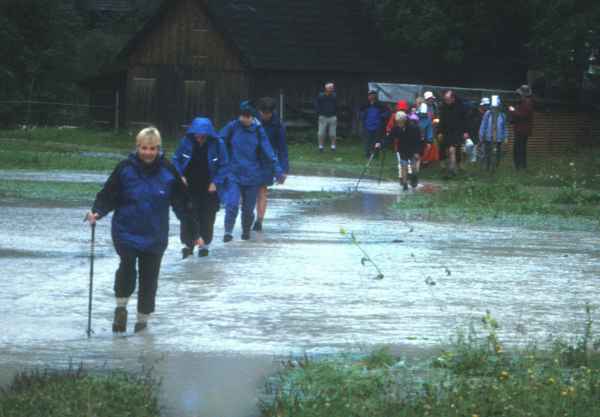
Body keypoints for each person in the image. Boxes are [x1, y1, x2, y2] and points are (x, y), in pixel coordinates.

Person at [85, 127, 190, 333]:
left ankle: (142, 321)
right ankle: (121, 307)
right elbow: (108, 194)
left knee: (150, 278)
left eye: (152, 149)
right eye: (144, 148)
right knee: (127, 267)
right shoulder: (125, 168)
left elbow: (182, 203)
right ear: (137, 147)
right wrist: (97, 212)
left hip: (156, 233)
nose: (148, 153)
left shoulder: (168, 170)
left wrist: (192, 233)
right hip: (126, 230)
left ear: (158, 149)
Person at [220, 101, 284, 242]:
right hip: (234, 173)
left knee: (248, 209)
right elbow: (219, 142)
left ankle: (246, 230)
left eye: (248, 117)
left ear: (253, 117)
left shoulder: (258, 131)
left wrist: (278, 169)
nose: (245, 119)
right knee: (232, 204)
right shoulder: (232, 127)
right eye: (242, 116)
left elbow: (268, 150)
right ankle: (228, 232)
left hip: (253, 175)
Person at [172, 117, 230, 259]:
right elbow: (175, 160)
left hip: (209, 188)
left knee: (208, 216)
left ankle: (204, 245)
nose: (199, 138)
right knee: (188, 215)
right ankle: (188, 245)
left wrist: (216, 182)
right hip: (189, 187)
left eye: (202, 135)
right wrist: (180, 176)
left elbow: (225, 165)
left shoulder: (218, 144)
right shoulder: (186, 142)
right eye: (196, 135)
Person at [254, 97, 289, 232]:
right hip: (251, 159)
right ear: (259, 111)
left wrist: (284, 169)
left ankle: (259, 221)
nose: (266, 116)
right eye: (263, 113)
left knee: (262, 190)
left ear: (272, 112)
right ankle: (248, 216)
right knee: (248, 190)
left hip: (267, 161)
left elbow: (282, 148)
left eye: (268, 113)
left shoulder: (278, 125)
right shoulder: (252, 120)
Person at [376, 111, 421, 191]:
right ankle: (405, 184)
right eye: (398, 122)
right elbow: (389, 138)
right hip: (402, 149)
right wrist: (381, 143)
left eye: (401, 122)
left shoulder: (414, 128)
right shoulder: (396, 128)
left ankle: (414, 178)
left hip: (413, 149)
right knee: (404, 165)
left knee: (413, 167)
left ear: (405, 120)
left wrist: (417, 152)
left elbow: (418, 140)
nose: (399, 124)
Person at [437, 90, 469, 177]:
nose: (446, 101)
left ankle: (452, 169)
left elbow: (465, 120)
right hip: (446, 132)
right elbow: (441, 120)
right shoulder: (443, 107)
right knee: (444, 149)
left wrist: (465, 131)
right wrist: (439, 132)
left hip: (457, 132)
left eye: (447, 99)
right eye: (445, 99)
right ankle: (447, 167)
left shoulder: (461, 107)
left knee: (453, 149)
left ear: (453, 98)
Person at [479, 95, 508, 171]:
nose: (494, 108)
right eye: (493, 107)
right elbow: (483, 125)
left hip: (498, 139)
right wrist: (481, 136)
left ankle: (496, 167)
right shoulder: (487, 114)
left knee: (497, 154)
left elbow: (504, 128)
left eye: (496, 107)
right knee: (487, 153)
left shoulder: (502, 115)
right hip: (488, 138)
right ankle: (487, 167)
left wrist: (505, 138)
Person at [509, 85, 534, 170]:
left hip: (522, 130)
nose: (519, 95)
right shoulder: (524, 102)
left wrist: (513, 110)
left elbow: (522, 115)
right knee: (520, 148)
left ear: (524, 94)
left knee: (519, 148)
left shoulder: (527, 103)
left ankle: (519, 166)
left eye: (520, 94)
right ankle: (521, 166)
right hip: (521, 129)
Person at [359, 90, 390, 157]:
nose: (372, 96)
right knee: (367, 141)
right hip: (367, 126)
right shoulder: (365, 105)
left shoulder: (381, 105)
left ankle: (375, 154)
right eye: (370, 95)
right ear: (368, 96)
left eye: (373, 95)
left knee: (376, 141)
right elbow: (361, 113)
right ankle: (367, 154)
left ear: (376, 96)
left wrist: (381, 116)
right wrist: (363, 115)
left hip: (377, 126)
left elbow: (387, 113)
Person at [314, 82, 338, 152]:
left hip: (332, 117)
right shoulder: (321, 96)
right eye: (330, 88)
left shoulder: (334, 96)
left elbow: (337, 105)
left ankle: (333, 146)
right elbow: (316, 104)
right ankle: (320, 146)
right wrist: (319, 113)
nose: (332, 89)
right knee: (321, 133)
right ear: (326, 88)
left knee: (332, 133)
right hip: (323, 117)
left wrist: (335, 114)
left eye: (332, 88)